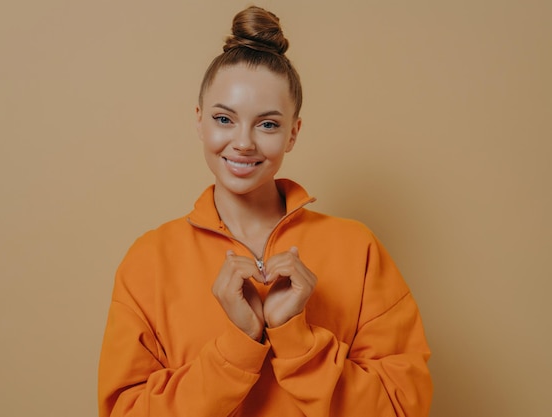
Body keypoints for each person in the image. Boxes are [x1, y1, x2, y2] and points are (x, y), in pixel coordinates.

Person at [98, 5, 432, 417]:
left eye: (268, 125)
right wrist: (239, 344)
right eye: (224, 119)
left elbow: (402, 409)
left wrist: (297, 339)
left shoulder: (357, 248)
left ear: (293, 133)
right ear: (199, 122)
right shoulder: (148, 261)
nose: (243, 143)